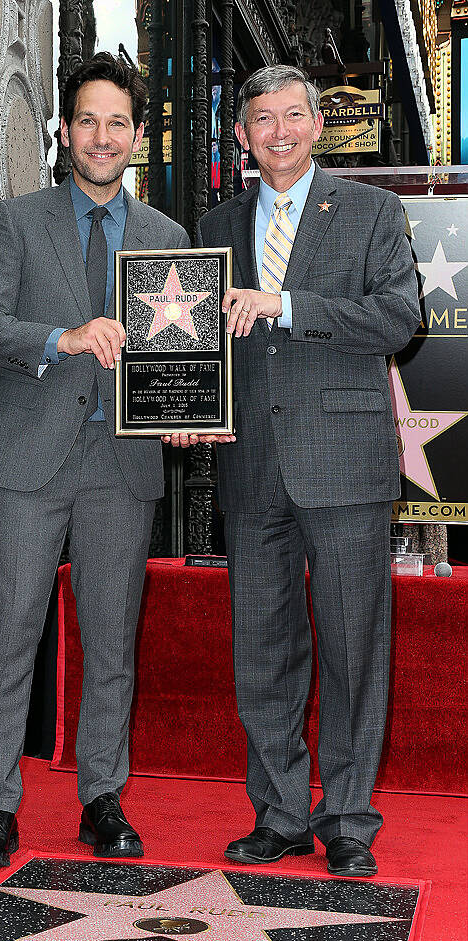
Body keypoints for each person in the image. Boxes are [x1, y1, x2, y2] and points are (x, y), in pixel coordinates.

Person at [166, 65, 420, 877]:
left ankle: (347, 818)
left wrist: (289, 303)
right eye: (261, 120)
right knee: (262, 649)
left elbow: (397, 317)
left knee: (353, 648)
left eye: (293, 116)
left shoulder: (374, 211)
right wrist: (185, 408)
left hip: (344, 463)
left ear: (317, 125)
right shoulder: (216, 221)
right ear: (240, 135)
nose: (278, 131)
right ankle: (277, 813)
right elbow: (194, 343)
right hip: (249, 465)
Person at [0, 52, 189, 868]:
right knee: (12, 629)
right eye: (87, 120)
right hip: (28, 462)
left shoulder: (168, 239)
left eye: (117, 122)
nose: (101, 136)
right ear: (64, 130)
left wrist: (190, 414)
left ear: (137, 134)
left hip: (121, 468)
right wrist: (61, 338)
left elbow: (175, 364)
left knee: (112, 639)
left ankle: (101, 798)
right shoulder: (17, 220)